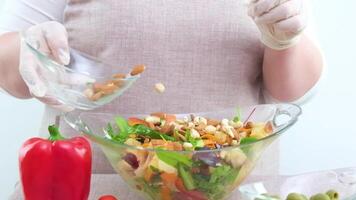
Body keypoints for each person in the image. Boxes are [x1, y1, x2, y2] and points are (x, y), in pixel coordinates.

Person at [0, 0, 324, 198]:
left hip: (233, 186)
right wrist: (29, 51)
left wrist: (285, 42)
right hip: (90, 189)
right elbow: (9, 73)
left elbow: (290, 91)